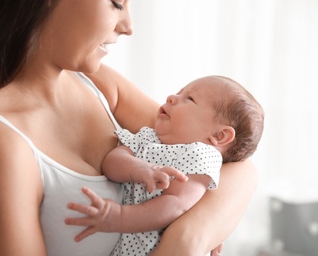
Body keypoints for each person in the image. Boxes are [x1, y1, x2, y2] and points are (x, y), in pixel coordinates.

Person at [0, 0, 257, 255]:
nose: (128, 25)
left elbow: (235, 165)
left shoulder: (97, 85)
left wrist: (187, 239)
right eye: (116, 2)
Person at [65, 75, 264, 255]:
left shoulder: (201, 156)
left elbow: (175, 204)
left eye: (190, 99)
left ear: (219, 136)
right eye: (179, 92)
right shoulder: (149, 136)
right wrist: (139, 169)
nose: (171, 97)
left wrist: (118, 216)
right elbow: (111, 162)